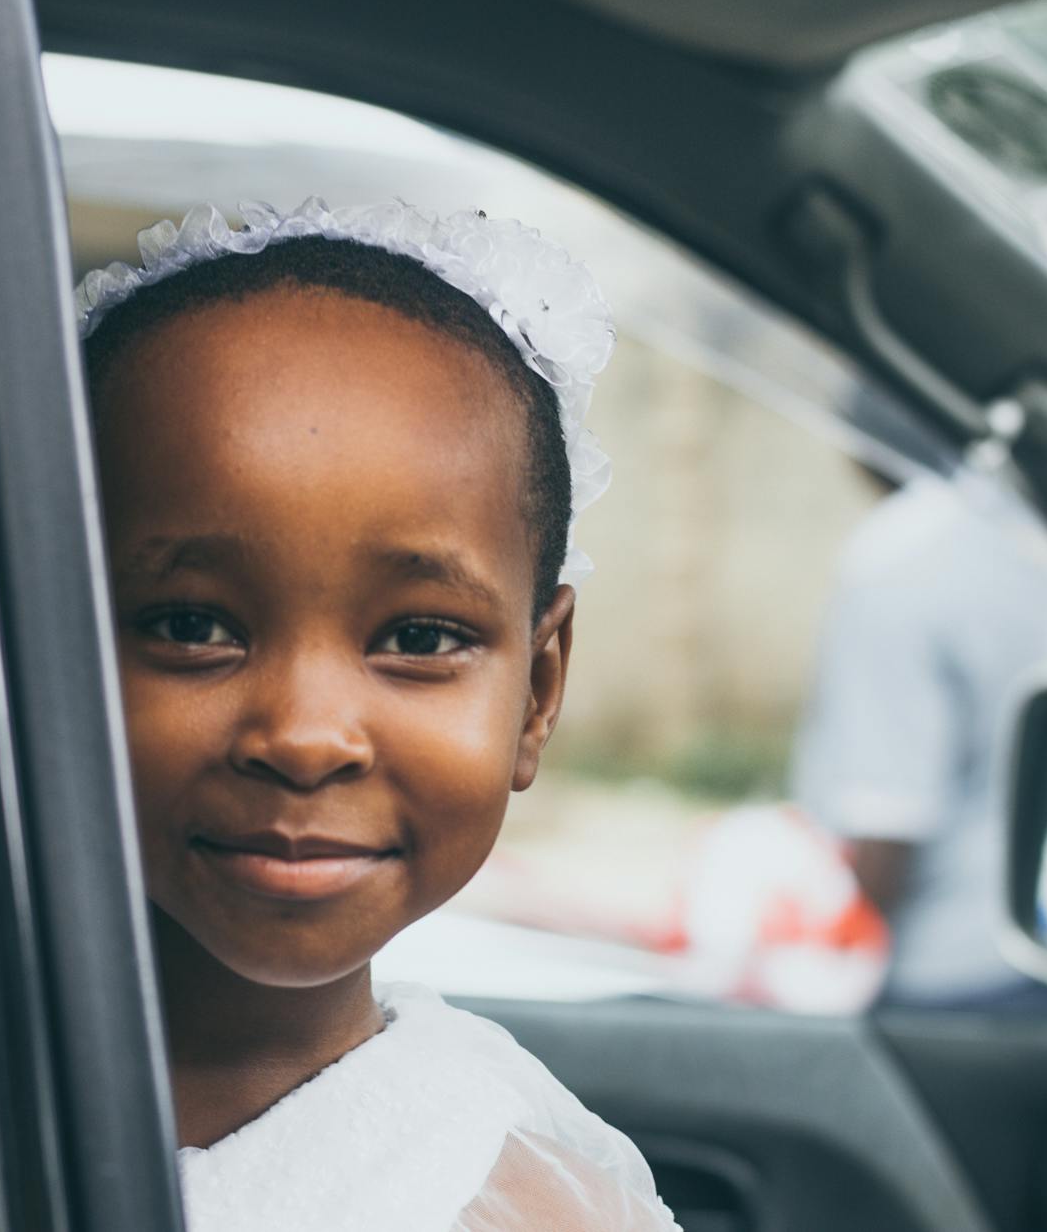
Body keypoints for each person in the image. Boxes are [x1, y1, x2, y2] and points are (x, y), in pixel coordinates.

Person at [76, 199, 680, 1231]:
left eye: (419, 638)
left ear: (535, 692)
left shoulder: (521, 1210)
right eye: (191, 623)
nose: (307, 736)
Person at [792, 459, 1047, 1016]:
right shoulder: (1018, 532)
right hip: (1021, 941)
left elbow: (890, 826)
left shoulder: (900, 558)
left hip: (931, 972)